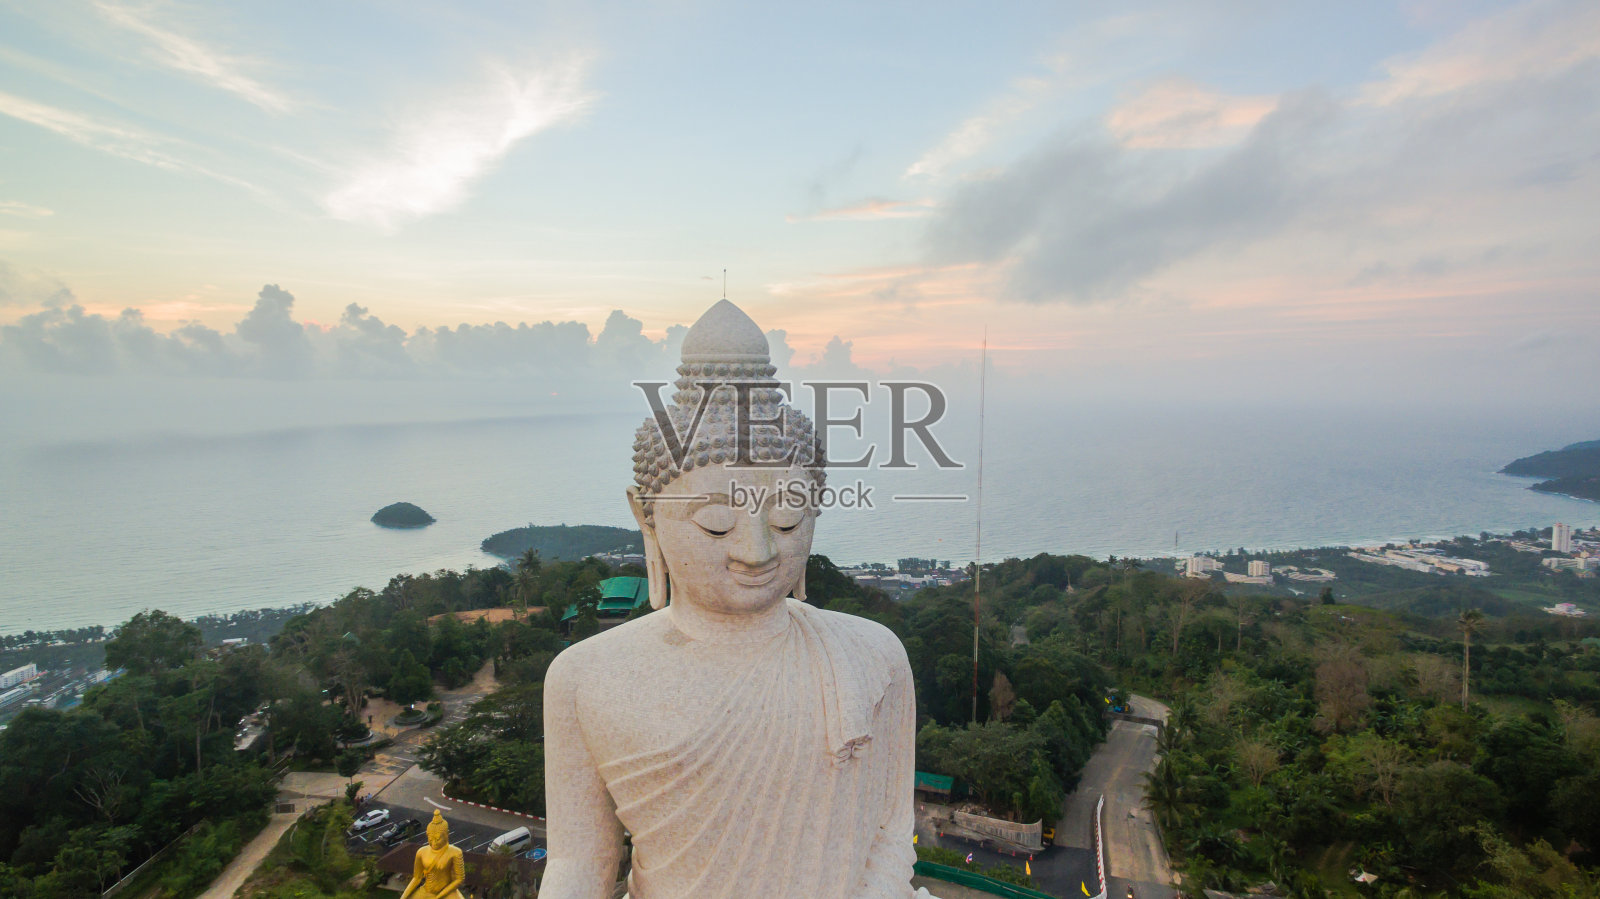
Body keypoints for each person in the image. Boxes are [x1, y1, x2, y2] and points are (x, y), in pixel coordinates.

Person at [541, 300, 932, 899]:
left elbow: (889, 835)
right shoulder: (584, 678)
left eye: (787, 517)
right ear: (647, 516)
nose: (756, 552)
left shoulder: (873, 655)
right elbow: (577, 866)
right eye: (718, 523)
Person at [399, 810, 466, 899]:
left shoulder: (455, 852)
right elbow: (417, 878)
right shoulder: (422, 852)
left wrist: (439, 896)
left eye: (438, 839)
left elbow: (459, 879)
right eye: (430, 838)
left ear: (446, 834)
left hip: (447, 893)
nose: (434, 842)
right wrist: (403, 896)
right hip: (427, 891)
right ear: (427, 835)